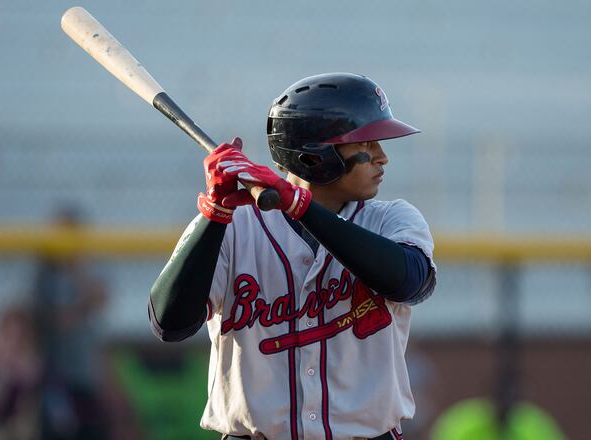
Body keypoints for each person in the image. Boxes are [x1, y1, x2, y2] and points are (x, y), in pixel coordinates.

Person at [149, 73, 437, 440]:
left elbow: (408, 281)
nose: (382, 157)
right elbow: (169, 323)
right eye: (366, 143)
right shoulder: (233, 227)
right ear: (315, 157)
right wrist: (214, 214)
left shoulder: (392, 220)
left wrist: (299, 206)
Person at [32, 203, 109, 440]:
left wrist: (76, 266)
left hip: (85, 372)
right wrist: (77, 311)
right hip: (53, 374)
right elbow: (48, 317)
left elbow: (99, 298)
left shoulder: (85, 268)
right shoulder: (43, 273)